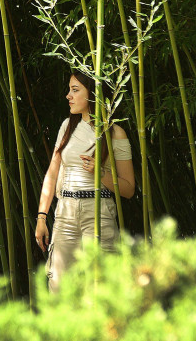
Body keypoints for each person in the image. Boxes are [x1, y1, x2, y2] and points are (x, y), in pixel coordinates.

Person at [33, 70, 135, 292]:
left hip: (98, 211)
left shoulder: (115, 132)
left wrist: (101, 174)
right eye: (69, 90)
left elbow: (128, 188)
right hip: (65, 212)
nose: (68, 96)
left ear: (93, 94)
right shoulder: (67, 127)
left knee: (102, 287)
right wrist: (42, 216)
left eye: (75, 90)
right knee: (58, 286)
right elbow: (52, 173)